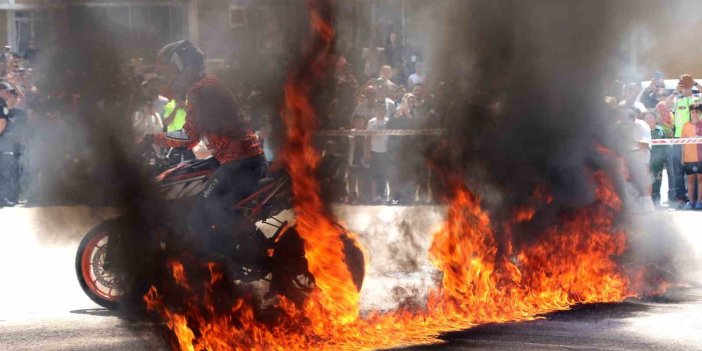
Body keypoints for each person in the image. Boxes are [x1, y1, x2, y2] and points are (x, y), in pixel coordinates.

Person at [144, 40, 267, 267]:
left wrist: (153, 138)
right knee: (205, 197)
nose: (169, 78)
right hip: (240, 159)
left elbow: (190, 136)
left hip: (238, 163)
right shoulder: (208, 84)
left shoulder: (199, 90)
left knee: (199, 219)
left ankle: (227, 271)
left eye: (172, 71)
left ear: (184, 68)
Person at [665, 74, 700, 208]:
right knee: (678, 170)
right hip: (679, 139)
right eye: (683, 83)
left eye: (687, 83)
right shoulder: (677, 100)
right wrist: (675, 91)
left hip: (695, 139)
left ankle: (696, 198)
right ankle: (681, 197)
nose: (685, 86)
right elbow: (665, 106)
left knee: (696, 169)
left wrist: (695, 83)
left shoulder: (697, 98)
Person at [364, 100, 390, 203]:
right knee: (374, 174)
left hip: (386, 151)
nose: (381, 111)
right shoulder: (371, 122)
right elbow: (367, 138)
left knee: (384, 174)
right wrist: (367, 152)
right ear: (375, 110)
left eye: (383, 109)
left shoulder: (388, 121)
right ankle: (374, 196)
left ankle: (383, 195)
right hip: (374, 151)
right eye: (378, 109)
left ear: (385, 110)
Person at [644, 110, 670, 207]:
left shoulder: (660, 130)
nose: (649, 119)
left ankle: (657, 201)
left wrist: (664, 158)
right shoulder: (643, 131)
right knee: (647, 181)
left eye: (651, 117)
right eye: (646, 118)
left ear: (655, 119)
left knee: (657, 181)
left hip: (658, 161)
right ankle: (648, 202)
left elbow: (665, 145)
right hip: (646, 161)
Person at [681, 104, 702, 209]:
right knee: (690, 180)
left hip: (701, 157)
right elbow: (682, 143)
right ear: (690, 113)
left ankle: (699, 201)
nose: (695, 114)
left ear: (700, 113)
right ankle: (690, 201)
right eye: (693, 112)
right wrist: (682, 157)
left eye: (697, 112)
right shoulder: (685, 125)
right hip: (689, 157)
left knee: (700, 179)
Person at [347, 114, 369, 203]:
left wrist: (367, 157)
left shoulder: (366, 132)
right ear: (353, 122)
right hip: (353, 158)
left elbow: (368, 145)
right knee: (352, 178)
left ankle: (360, 196)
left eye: (360, 121)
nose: (359, 123)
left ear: (364, 122)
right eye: (356, 121)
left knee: (361, 178)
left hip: (363, 158)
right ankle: (352, 196)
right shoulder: (350, 132)